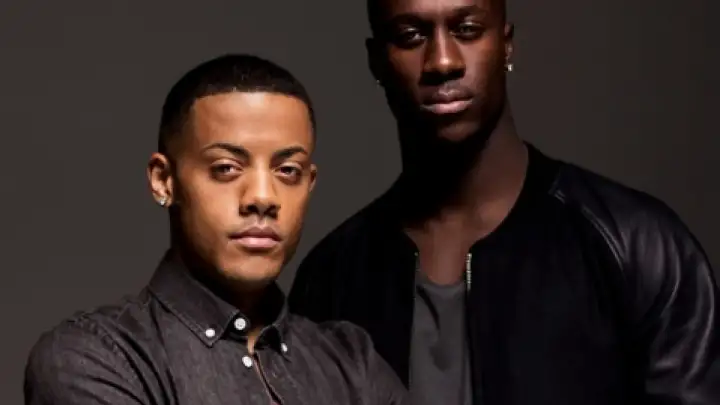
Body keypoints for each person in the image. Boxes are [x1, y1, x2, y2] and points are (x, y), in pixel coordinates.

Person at [288, 0, 720, 404]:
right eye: (411, 36)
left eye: (467, 29)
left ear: (506, 44)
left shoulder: (638, 245)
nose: (443, 61)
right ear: (376, 61)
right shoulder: (331, 277)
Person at [24, 54, 408, 405]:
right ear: (164, 181)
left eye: (287, 171)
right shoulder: (94, 358)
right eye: (226, 168)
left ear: (309, 184)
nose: (262, 197)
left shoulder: (353, 362)